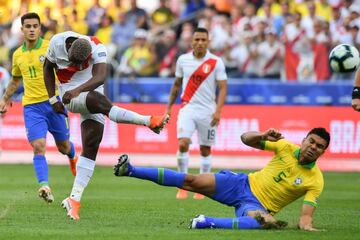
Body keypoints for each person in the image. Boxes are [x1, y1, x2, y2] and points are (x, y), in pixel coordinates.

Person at [43, 31, 169, 221]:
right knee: (97, 101)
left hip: (90, 86)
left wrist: (78, 90)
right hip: (68, 92)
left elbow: (100, 76)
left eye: (81, 63)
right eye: (73, 62)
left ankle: (74, 199)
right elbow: (47, 67)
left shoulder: (97, 46)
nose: (77, 66)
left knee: (91, 146)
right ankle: (148, 121)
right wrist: (53, 99)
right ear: (68, 48)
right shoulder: (56, 43)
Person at [114, 127, 330, 231]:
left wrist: (308, 228)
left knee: (262, 222)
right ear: (304, 140)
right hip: (241, 183)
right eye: (311, 142)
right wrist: (262, 136)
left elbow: (305, 219)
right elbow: (245, 138)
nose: (313, 147)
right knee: (191, 181)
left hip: (256, 205)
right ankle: (130, 170)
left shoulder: (315, 180)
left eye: (319, 146)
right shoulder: (284, 146)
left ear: (323, 152)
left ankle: (205, 222)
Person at [0, 13, 78, 204]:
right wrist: (5, 99)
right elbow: (15, 80)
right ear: (22, 30)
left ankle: (73, 156)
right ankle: (45, 185)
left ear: (40, 28)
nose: (32, 29)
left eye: (35, 26)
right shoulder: (17, 54)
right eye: (28, 26)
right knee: (38, 146)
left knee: (63, 147)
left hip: (54, 103)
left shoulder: (51, 47)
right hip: (32, 107)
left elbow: (67, 69)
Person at [165, 27, 227, 199]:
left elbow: (222, 88)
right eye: (197, 39)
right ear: (192, 41)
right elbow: (176, 85)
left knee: (205, 149)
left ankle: (202, 187)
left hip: (208, 110)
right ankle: (182, 185)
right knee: (183, 143)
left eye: (203, 40)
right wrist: (169, 107)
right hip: (188, 108)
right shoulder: (183, 60)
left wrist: (218, 111)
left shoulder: (216, 62)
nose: (200, 43)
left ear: (208, 42)